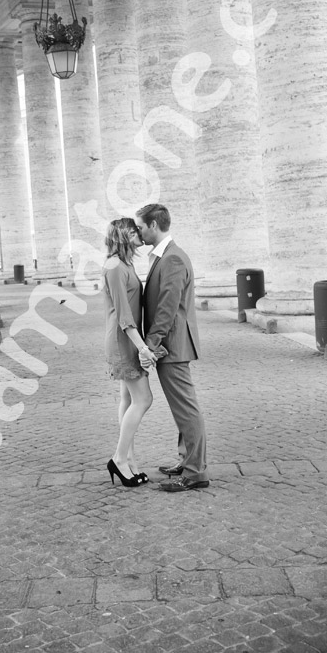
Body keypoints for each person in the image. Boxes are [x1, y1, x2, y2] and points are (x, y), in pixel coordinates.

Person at [135, 204, 209, 492]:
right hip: (172, 344)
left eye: (141, 227)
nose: (139, 233)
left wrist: (150, 345)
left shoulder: (173, 258)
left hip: (173, 345)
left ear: (154, 225)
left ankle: (195, 473)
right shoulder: (164, 256)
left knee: (187, 409)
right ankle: (187, 460)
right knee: (182, 409)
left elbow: (166, 308)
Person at [103, 217, 155, 488]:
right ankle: (119, 458)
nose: (140, 233)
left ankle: (130, 460)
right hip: (124, 340)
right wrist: (143, 348)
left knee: (127, 397)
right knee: (144, 399)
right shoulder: (114, 266)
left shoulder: (125, 263)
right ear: (125, 234)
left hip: (128, 338)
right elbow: (124, 316)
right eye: (135, 230)